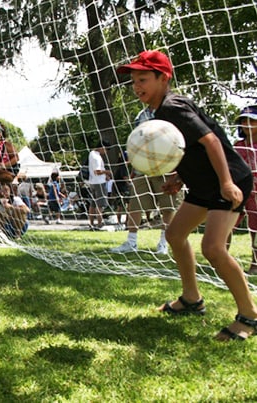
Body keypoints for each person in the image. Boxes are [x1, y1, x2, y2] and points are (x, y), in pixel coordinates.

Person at [117, 49, 257, 341]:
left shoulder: (172, 107)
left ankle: (249, 315)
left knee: (214, 249)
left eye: (143, 79)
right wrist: (179, 178)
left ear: (162, 77)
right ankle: (192, 299)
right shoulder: (161, 111)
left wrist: (227, 182)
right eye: (133, 82)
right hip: (206, 186)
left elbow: (211, 141)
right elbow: (188, 150)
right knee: (175, 235)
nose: (137, 86)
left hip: (227, 182)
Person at [110, 109, 182, 254]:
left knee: (168, 207)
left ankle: (163, 243)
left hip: (166, 168)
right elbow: (137, 141)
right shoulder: (141, 115)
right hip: (142, 170)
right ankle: (131, 242)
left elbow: (177, 142)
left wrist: (179, 172)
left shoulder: (171, 111)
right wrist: (134, 168)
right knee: (135, 206)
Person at [232, 105, 257, 275]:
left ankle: (255, 263)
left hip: (256, 191)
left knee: (255, 229)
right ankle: (219, 259)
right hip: (239, 190)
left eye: (252, 120)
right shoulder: (237, 145)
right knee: (225, 224)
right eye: (244, 120)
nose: (247, 124)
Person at [87, 141, 112, 229]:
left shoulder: (91, 153)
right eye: (106, 150)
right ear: (102, 147)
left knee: (93, 204)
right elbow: (97, 171)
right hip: (99, 183)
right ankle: (100, 223)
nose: (106, 152)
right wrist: (107, 172)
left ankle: (91, 223)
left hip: (92, 182)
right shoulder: (97, 157)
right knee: (100, 204)